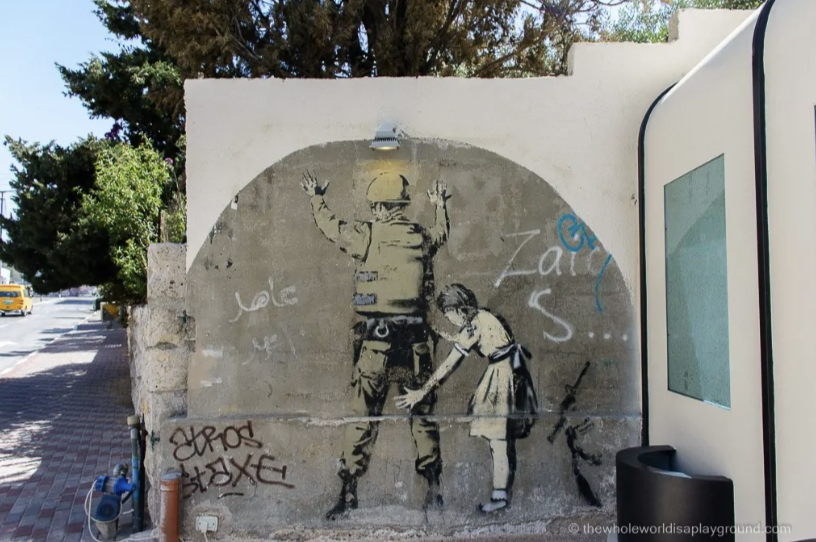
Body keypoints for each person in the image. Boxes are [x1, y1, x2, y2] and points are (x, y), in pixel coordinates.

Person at [300, 170, 450, 519]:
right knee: (423, 417)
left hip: (378, 345)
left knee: (362, 417)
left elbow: (332, 228)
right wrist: (440, 205)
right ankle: (434, 490)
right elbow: (441, 233)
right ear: (402, 205)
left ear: (382, 207)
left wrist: (316, 198)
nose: (373, 212)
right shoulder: (420, 237)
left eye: (374, 207)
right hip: (416, 345)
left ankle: (348, 493)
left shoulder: (366, 235)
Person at [395, 283, 538, 513]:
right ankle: (501, 493)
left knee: (498, 442)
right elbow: (480, 338)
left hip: (501, 377)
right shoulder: (484, 316)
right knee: (503, 441)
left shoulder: (472, 328)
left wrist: (422, 391)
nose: (449, 319)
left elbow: (449, 364)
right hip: (513, 371)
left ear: (458, 310)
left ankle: (500, 496)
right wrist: (451, 336)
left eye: (448, 315)